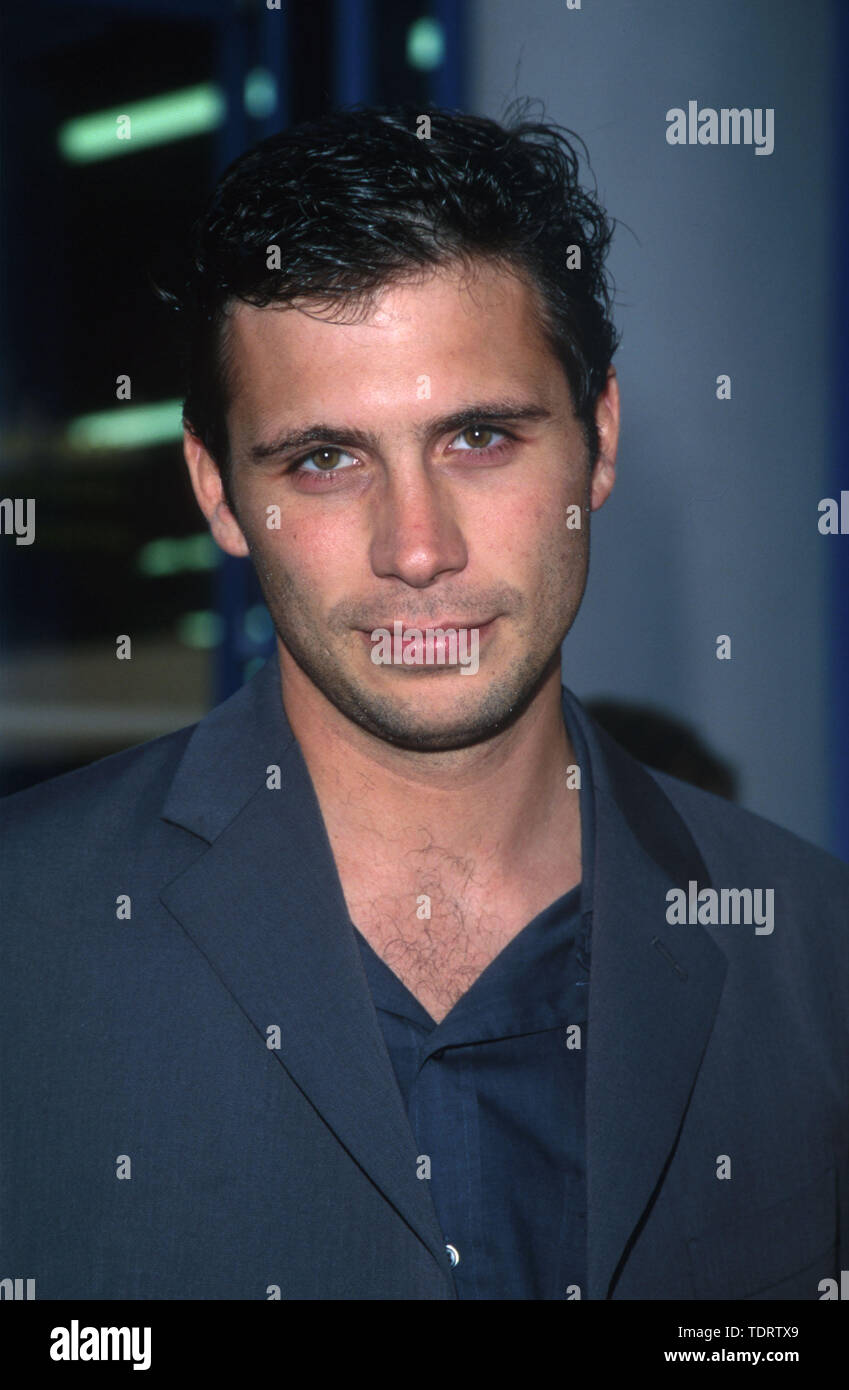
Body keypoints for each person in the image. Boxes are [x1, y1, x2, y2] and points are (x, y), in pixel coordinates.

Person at [1, 102, 847, 1302]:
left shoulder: (817, 959)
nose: (417, 548)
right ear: (219, 492)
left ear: (598, 437)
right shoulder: (22, 946)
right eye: (326, 460)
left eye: (481, 438)